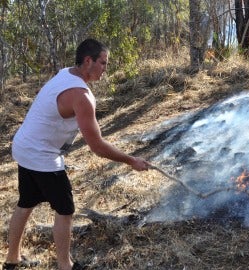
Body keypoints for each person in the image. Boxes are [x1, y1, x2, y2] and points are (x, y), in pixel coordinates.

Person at [2, 39, 150, 270]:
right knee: (65, 210)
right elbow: (97, 146)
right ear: (88, 61)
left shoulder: (65, 74)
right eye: (103, 63)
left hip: (24, 146)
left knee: (26, 202)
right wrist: (131, 160)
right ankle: (65, 266)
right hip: (41, 154)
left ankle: (12, 260)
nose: (105, 69)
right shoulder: (81, 95)